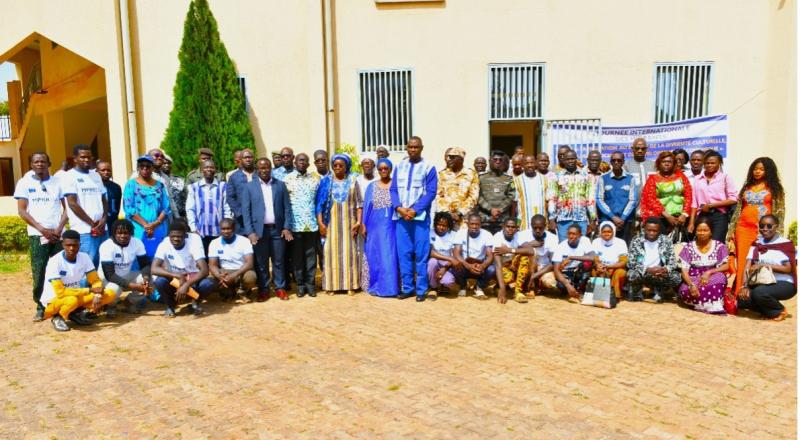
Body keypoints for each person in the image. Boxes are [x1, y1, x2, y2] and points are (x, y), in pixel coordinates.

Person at [15, 152, 68, 321]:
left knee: (62, 270)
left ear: (49, 164)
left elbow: (67, 209)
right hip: (37, 235)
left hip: (58, 235)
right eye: (36, 162)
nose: (40, 164)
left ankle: (63, 304)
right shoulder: (24, 183)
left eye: (43, 161)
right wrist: (42, 229)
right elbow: (22, 211)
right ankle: (41, 306)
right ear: (31, 165)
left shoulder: (58, 182)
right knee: (40, 272)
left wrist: (59, 229)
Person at [727, 157, 785, 296]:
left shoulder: (775, 189)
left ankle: (756, 294)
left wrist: (778, 235)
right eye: (755, 169)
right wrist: (731, 232)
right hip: (742, 229)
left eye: (761, 169)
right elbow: (738, 211)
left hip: (764, 231)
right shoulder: (746, 187)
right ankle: (739, 294)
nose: (757, 171)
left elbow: (780, 213)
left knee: (758, 262)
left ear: (768, 171)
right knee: (742, 262)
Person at [390, 137, 438, 301]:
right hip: (401, 217)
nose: (413, 150)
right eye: (410, 147)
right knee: (404, 254)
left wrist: (415, 210)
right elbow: (393, 190)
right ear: (407, 148)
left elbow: (431, 192)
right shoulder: (399, 166)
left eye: (416, 147)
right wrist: (398, 208)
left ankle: (421, 290)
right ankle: (408, 288)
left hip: (420, 219)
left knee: (421, 254)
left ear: (421, 148)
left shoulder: (429, 167)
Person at [40, 230, 116, 332]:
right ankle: (58, 317)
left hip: (75, 295)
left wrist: (97, 295)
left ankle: (75, 313)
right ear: (63, 245)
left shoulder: (84, 257)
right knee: (71, 301)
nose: (71, 248)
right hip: (55, 300)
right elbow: (61, 292)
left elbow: (95, 281)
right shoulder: (54, 261)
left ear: (80, 244)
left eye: (75, 245)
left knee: (110, 294)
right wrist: (90, 290)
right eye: (68, 245)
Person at [242, 158, 294, 301]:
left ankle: (280, 288)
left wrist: (287, 227)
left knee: (278, 261)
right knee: (261, 262)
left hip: (277, 230)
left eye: (267, 167)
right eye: (261, 168)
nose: (264, 170)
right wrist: (250, 232)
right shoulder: (249, 187)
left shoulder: (280, 185)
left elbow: (287, 208)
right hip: (259, 232)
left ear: (271, 168)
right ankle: (264, 289)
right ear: (257, 170)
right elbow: (246, 212)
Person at [316, 154, 363, 296]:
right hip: (330, 224)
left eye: (340, 165)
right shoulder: (325, 182)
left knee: (349, 254)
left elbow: (359, 205)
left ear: (346, 166)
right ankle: (331, 286)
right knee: (330, 253)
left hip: (349, 224)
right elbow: (319, 205)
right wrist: (321, 224)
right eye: (335, 165)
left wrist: (358, 222)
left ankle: (350, 285)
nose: (337, 167)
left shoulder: (353, 182)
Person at [737, 214, 797, 321]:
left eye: (769, 226)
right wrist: (744, 286)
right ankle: (768, 311)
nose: (765, 229)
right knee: (742, 300)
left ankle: (779, 310)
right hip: (763, 282)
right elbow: (747, 267)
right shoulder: (756, 244)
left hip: (784, 283)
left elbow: (788, 269)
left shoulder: (785, 244)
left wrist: (763, 265)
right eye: (762, 226)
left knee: (759, 293)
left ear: (776, 226)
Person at [151, 221, 214, 317]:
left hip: (192, 278)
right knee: (159, 281)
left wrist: (186, 285)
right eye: (173, 236)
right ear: (169, 236)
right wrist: (177, 276)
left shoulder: (193, 244)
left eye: (179, 236)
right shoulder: (164, 244)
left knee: (208, 284)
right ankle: (170, 306)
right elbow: (154, 269)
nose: (176, 239)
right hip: (175, 279)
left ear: (185, 235)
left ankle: (195, 303)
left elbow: (204, 270)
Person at [63, 144, 109, 267]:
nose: (87, 160)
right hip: (85, 230)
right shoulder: (69, 176)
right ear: (75, 159)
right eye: (83, 157)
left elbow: (104, 199)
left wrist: (104, 219)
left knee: (104, 263)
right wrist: (92, 224)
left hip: (102, 229)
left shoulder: (96, 175)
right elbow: (72, 203)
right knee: (87, 264)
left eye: (89, 157)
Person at [283, 153, 321, 297]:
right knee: (297, 257)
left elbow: (318, 201)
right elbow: (285, 204)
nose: (302, 163)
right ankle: (300, 285)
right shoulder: (287, 180)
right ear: (295, 162)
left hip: (311, 225)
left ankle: (310, 284)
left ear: (308, 164)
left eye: (305, 161)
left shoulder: (315, 179)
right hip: (295, 225)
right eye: (300, 160)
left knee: (311, 257)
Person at [362, 158, 400, 297]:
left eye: (386, 168)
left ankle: (390, 287)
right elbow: (367, 206)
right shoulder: (372, 186)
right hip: (374, 226)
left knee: (389, 255)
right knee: (375, 255)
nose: (383, 171)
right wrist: (363, 224)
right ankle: (375, 285)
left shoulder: (396, 185)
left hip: (392, 225)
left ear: (390, 169)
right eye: (380, 169)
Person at [99, 219, 152, 316]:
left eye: (126, 233)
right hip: (108, 279)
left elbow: (144, 264)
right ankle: (111, 306)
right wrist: (133, 286)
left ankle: (128, 303)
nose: (123, 236)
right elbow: (110, 275)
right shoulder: (106, 246)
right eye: (119, 233)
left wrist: (146, 278)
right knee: (114, 289)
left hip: (126, 275)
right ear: (114, 233)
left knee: (150, 280)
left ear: (131, 233)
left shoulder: (137, 243)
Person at [677, 217, 730, 314]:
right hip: (693, 278)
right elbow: (684, 271)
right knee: (685, 290)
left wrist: (709, 272)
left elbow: (726, 266)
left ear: (711, 232)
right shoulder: (688, 247)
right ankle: (708, 302)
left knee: (720, 278)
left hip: (712, 277)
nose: (702, 233)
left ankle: (705, 304)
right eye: (699, 230)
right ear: (695, 231)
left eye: (705, 230)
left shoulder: (719, 246)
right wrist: (691, 285)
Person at [123, 155, 171, 257]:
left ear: (152, 168)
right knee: (139, 256)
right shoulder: (131, 184)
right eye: (142, 166)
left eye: (148, 166)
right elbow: (129, 208)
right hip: (138, 228)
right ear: (138, 168)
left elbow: (166, 207)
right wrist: (146, 225)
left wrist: (155, 224)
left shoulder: (160, 185)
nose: (145, 168)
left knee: (158, 256)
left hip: (158, 227)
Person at [627, 217, 682, 302]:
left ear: (659, 230)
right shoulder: (636, 240)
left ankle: (658, 290)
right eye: (649, 230)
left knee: (676, 277)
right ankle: (637, 289)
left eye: (655, 231)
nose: (651, 233)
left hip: (659, 273)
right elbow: (631, 262)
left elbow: (673, 262)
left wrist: (665, 269)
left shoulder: (666, 240)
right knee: (631, 274)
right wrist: (647, 269)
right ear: (644, 228)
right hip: (643, 272)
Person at [640, 151, 692, 239]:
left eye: (669, 162)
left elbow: (688, 195)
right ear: (659, 163)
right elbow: (650, 199)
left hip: (680, 218)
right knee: (662, 242)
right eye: (664, 162)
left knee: (679, 244)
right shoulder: (653, 179)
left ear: (674, 164)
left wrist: (684, 214)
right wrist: (667, 216)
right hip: (660, 218)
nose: (666, 164)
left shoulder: (681, 176)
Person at [688, 151, 737, 243]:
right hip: (702, 216)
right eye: (707, 163)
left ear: (719, 163)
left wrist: (711, 205)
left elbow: (733, 198)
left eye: (713, 163)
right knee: (702, 243)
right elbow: (694, 202)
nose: (709, 165)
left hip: (719, 216)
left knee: (716, 243)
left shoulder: (725, 177)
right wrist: (691, 222)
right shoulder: (697, 179)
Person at [548, 149, 596, 240]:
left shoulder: (587, 176)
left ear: (576, 159)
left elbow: (590, 199)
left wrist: (593, 218)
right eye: (567, 159)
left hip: (581, 219)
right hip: (563, 219)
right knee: (563, 245)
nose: (570, 161)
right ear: (563, 160)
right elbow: (552, 198)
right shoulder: (556, 176)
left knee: (581, 244)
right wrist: (551, 218)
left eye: (572, 158)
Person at [185, 159, 232, 253]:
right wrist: (193, 228)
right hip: (200, 231)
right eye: (206, 167)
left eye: (211, 167)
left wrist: (227, 227)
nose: (209, 169)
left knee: (218, 257)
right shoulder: (193, 187)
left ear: (215, 170)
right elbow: (190, 209)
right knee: (203, 257)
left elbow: (227, 207)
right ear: (202, 170)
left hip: (219, 231)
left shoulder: (223, 186)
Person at [208, 218, 257, 300]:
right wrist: (219, 276)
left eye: (228, 228)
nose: (226, 231)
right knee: (210, 280)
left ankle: (243, 291)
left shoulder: (244, 241)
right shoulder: (214, 243)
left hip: (241, 270)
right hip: (225, 271)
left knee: (250, 277)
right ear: (220, 229)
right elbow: (212, 265)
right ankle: (228, 291)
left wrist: (234, 275)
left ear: (233, 229)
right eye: (223, 229)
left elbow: (249, 263)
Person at [493, 218, 538, 304]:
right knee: (508, 277)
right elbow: (498, 264)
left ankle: (518, 292)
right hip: (502, 267)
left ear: (516, 228)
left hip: (513, 265)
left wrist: (509, 250)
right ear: (503, 227)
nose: (510, 229)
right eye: (508, 226)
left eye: (513, 227)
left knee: (525, 257)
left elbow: (531, 251)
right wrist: (502, 289)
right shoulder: (497, 237)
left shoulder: (518, 235)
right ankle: (500, 286)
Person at [596, 151, 638, 242]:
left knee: (623, 246)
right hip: (607, 220)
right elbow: (599, 199)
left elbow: (633, 200)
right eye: (613, 160)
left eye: (619, 160)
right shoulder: (603, 178)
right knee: (606, 245)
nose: (616, 162)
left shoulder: (630, 178)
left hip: (625, 221)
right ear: (610, 162)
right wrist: (612, 217)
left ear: (623, 162)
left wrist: (622, 218)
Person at [435, 147, 479, 230]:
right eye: (448, 157)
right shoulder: (442, 174)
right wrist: (447, 213)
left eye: (452, 157)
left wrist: (459, 213)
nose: (449, 159)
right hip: (445, 219)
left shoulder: (471, 174)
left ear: (461, 159)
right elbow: (438, 195)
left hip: (463, 219)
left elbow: (473, 197)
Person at [453, 214, 495, 299]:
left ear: (480, 224)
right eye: (472, 224)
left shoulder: (487, 234)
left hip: (480, 265)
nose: (474, 226)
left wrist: (483, 266)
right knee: (456, 264)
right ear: (467, 224)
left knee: (492, 269)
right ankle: (463, 286)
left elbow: (490, 256)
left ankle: (479, 287)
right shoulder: (461, 233)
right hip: (465, 264)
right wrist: (468, 266)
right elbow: (456, 253)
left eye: (477, 224)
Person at [516, 214, 560, 296]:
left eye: (540, 228)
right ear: (531, 225)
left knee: (550, 282)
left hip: (543, 268)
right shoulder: (522, 235)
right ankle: (529, 286)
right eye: (535, 228)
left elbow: (553, 262)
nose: (537, 230)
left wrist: (535, 276)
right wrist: (530, 244)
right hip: (526, 267)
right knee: (532, 252)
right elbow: (516, 252)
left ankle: (537, 284)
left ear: (545, 226)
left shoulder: (552, 238)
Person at [552, 224, 595, 300]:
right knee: (561, 285)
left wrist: (571, 257)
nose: (571, 236)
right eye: (569, 234)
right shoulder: (561, 247)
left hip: (579, 271)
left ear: (580, 235)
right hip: (566, 272)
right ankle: (570, 289)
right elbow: (556, 270)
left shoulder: (585, 241)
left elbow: (592, 257)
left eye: (574, 234)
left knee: (587, 264)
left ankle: (581, 289)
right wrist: (567, 285)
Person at [478, 150, 515, 234]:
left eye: (500, 160)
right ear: (490, 161)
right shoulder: (480, 178)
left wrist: (499, 210)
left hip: (502, 220)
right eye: (495, 159)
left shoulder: (509, 179)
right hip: (485, 220)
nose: (498, 162)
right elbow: (477, 196)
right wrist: (490, 209)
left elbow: (512, 195)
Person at [590, 221, 629, 300]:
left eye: (609, 232)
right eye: (604, 232)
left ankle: (615, 296)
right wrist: (598, 265)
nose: (606, 234)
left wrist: (608, 266)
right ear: (600, 232)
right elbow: (595, 258)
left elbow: (623, 262)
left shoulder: (621, 243)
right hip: (601, 267)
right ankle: (599, 295)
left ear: (613, 232)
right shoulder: (596, 242)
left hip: (615, 269)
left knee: (621, 273)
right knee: (594, 271)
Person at [427, 212, 460, 299]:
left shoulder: (454, 235)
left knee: (448, 282)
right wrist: (449, 258)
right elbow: (431, 253)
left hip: (448, 265)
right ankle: (433, 288)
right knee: (432, 262)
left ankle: (443, 286)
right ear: (435, 224)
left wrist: (445, 268)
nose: (441, 227)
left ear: (448, 226)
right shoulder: (430, 233)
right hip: (434, 262)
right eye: (439, 224)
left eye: (444, 225)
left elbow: (455, 256)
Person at [513, 154, 548, 231]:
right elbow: (514, 203)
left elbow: (548, 201)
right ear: (522, 165)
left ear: (536, 163)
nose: (529, 165)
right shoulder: (516, 181)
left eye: (532, 163)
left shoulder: (545, 179)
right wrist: (516, 223)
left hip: (542, 221)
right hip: (524, 222)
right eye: (527, 163)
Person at [226, 148, 256, 231]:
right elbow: (230, 197)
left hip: (259, 218)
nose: (248, 159)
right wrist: (239, 213)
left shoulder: (260, 175)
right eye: (245, 157)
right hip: (241, 219)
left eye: (250, 157)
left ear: (254, 158)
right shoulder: (234, 177)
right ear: (241, 160)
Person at [96, 161, 121, 233]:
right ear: (97, 171)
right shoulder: (93, 186)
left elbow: (117, 206)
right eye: (103, 170)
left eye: (108, 170)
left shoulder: (116, 187)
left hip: (112, 223)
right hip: (98, 223)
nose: (106, 172)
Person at [161, 153, 187, 219]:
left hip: (180, 215)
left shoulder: (179, 180)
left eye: (169, 163)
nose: (167, 165)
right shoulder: (156, 180)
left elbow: (185, 197)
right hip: (163, 216)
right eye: (164, 163)